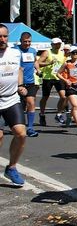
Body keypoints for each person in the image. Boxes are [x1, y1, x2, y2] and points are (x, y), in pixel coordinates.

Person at [0, 24, 29, 187]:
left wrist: (20, 85)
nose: (2, 39)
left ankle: (11, 167)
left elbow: (18, 69)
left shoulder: (15, 52)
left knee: (21, 133)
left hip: (11, 99)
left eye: (5, 36)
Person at [57, 45, 77, 135]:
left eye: (76, 52)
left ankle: (69, 116)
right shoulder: (66, 63)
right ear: (70, 54)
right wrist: (66, 80)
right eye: (73, 53)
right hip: (70, 87)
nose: (75, 54)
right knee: (75, 105)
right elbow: (58, 74)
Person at [14, 32, 40, 137]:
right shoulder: (15, 50)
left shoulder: (33, 51)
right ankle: (16, 125)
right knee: (18, 106)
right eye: (25, 41)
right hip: (17, 82)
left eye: (29, 41)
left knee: (31, 103)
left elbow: (35, 61)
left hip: (30, 81)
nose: (27, 43)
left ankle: (30, 127)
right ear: (21, 41)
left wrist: (38, 69)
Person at [37, 37, 67, 126]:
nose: (57, 46)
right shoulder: (47, 52)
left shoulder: (62, 54)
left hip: (58, 77)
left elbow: (64, 65)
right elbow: (38, 63)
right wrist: (49, 63)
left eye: (59, 44)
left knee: (64, 97)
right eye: (56, 44)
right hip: (48, 77)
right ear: (52, 45)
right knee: (45, 97)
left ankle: (58, 114)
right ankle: (42, 114)